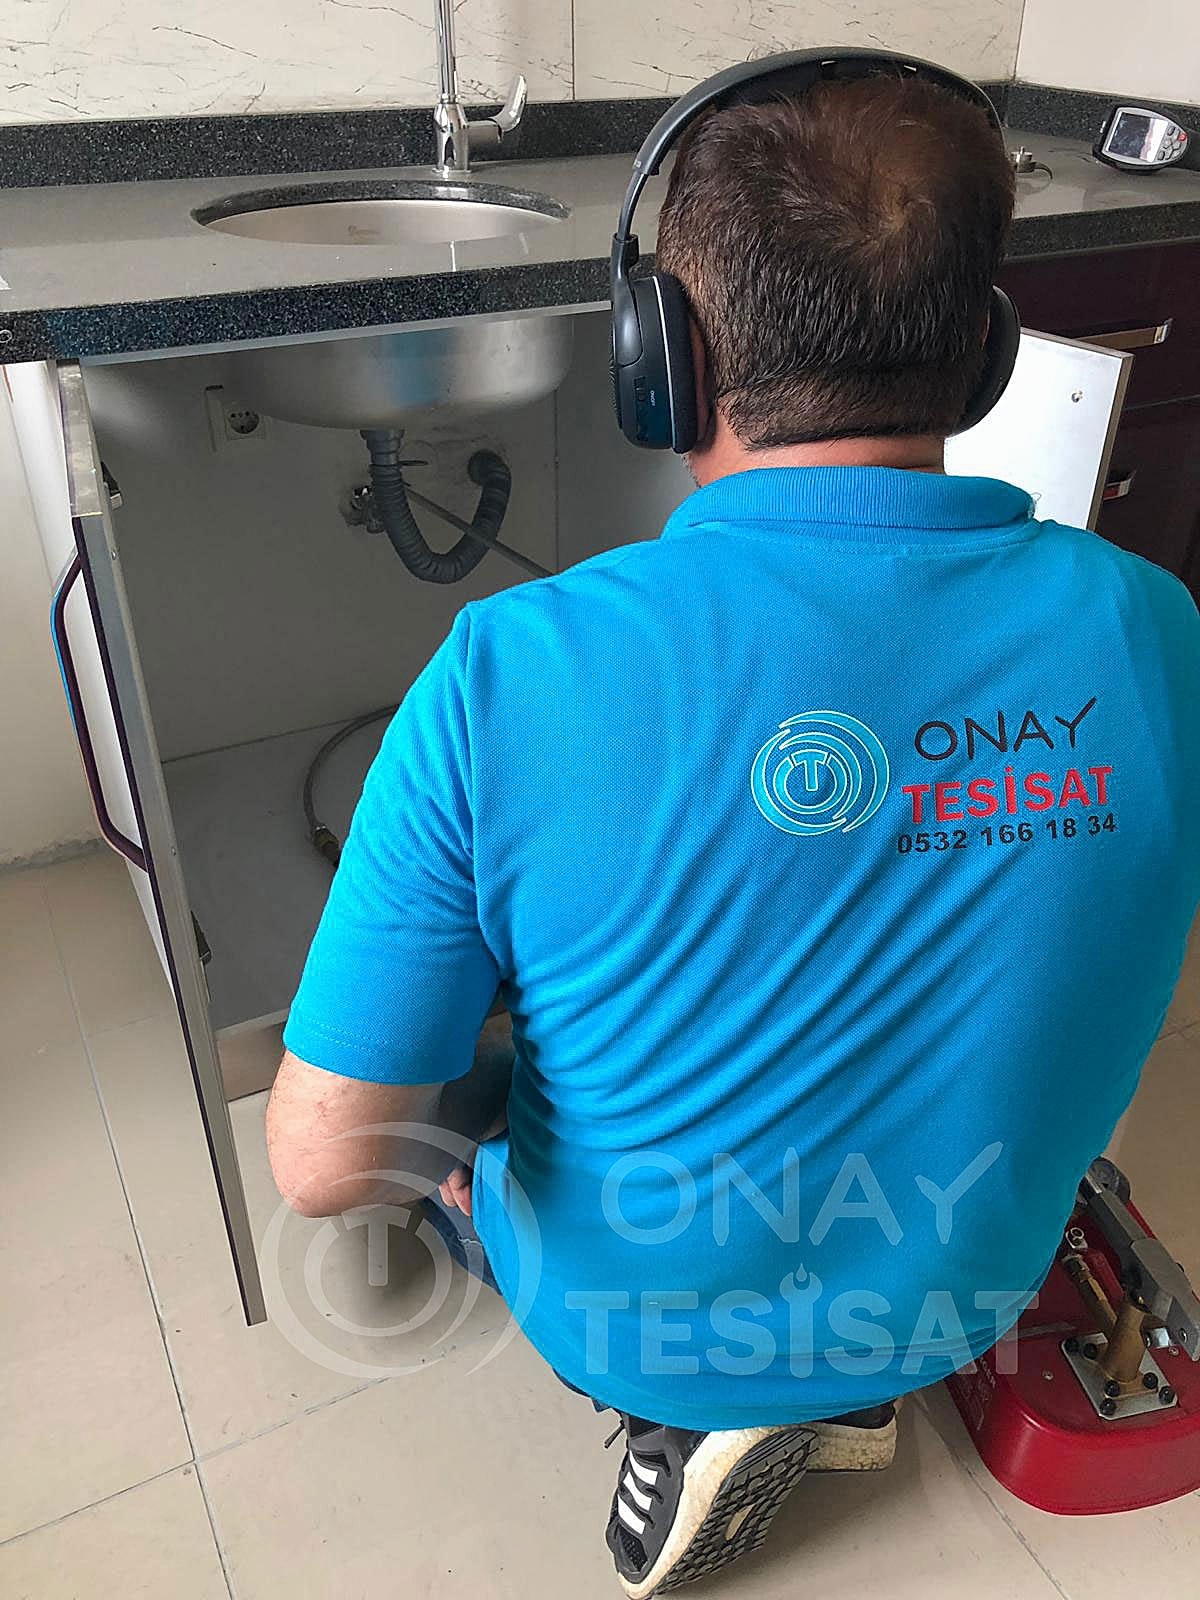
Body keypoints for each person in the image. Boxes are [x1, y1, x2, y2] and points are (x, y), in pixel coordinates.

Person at [266, 61, 1200, 1598]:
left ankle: (673, 1417)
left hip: (638, 1317)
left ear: (663, 360)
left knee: (436, 1114)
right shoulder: (1156, 631)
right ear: (983, 356)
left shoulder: (510, 674)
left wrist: (491, 1078)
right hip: (961, 1298)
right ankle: (840, 1382)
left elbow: (323, 1163)